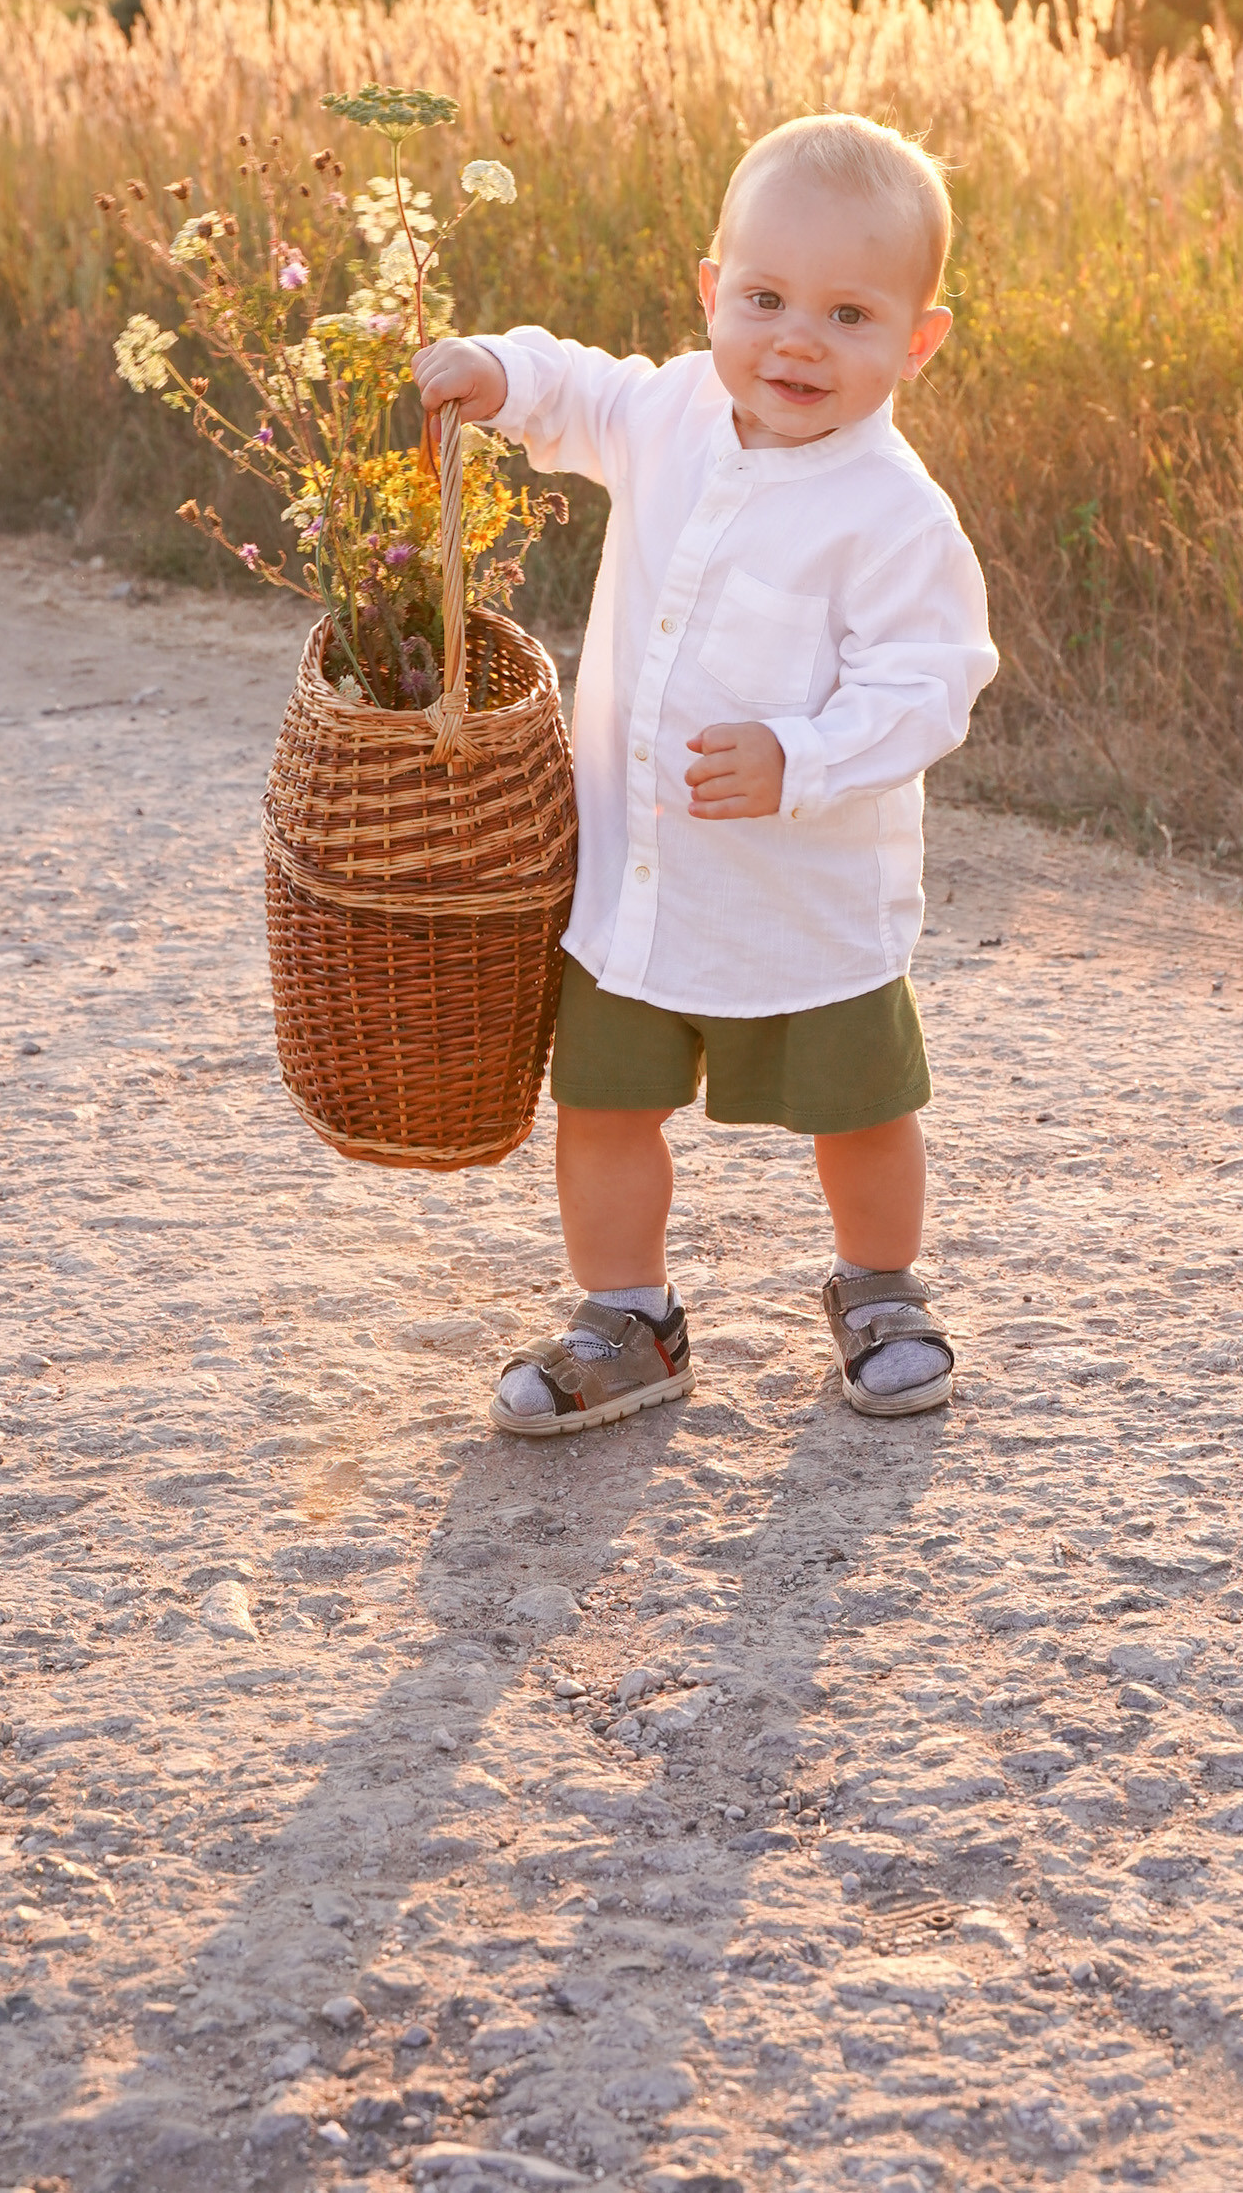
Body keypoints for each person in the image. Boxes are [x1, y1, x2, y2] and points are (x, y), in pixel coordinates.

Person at [411, 110, 998, 1437]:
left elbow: (929, 682)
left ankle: (881, 1288)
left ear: (917, 340)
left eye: (849, 313)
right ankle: (627, 1316)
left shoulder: (894, 512)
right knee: (604, 1105)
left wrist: (800, 755)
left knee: (859, 1108)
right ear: (709, 294)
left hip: (804, 893)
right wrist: (496, 370)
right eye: (765, 297)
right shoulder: (669, 409)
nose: (795, 339)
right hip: (644, 883)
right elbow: (576, 390)